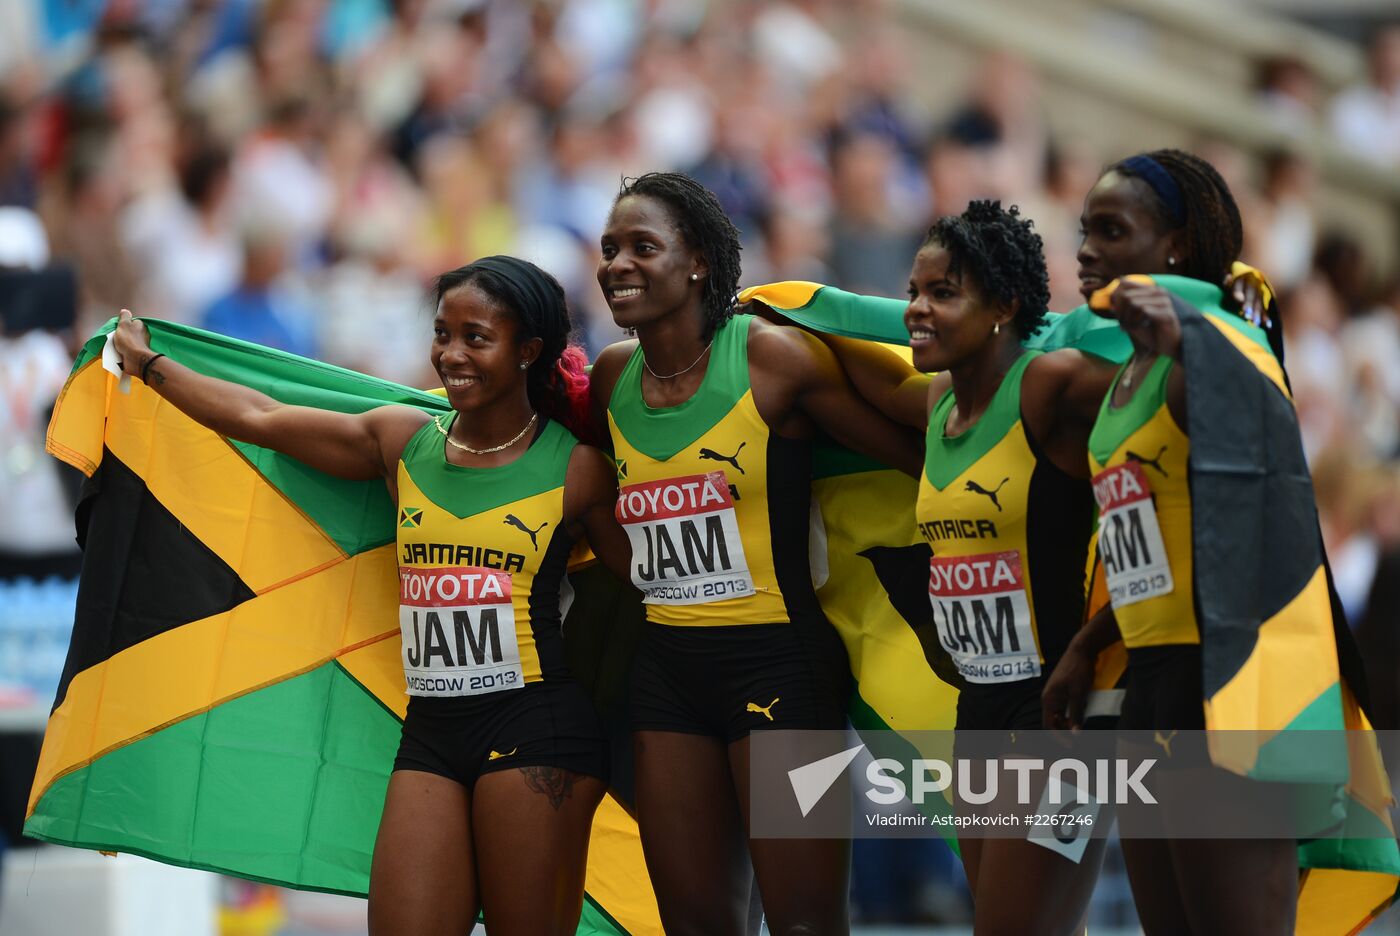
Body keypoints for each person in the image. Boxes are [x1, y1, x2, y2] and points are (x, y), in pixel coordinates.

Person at [111, 256, 630, 936]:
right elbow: (260, 416)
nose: (451, 354)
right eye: (442, 333)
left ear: (528, 350)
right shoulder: (402, 442)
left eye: (477, 337)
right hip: (433, 731)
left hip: (537, 728)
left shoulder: (578, 468)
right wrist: (149, 365)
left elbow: (646, 592)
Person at [589, 171, 923, 936]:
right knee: (694, 926)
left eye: (643, 246)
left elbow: (911, 459)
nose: (618, 264)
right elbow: (579, 496)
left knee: (806, 925)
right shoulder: (612, 378)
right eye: (610, 249)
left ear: (699, 260)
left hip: (781, 669)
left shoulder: (773, 360)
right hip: (666, 673)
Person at [794, 200, 1120, 934]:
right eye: (913, 292)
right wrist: (781, 311)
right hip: (978, 710)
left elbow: (1169, 410)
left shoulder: (1051, 387)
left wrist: (1092, 643)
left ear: (1005, 306)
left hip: (1061, 717)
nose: (916, 311)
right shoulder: (939, 405)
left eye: (944, 294)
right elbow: (853, 360)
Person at [1043, 149, 1298, 934]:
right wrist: (1089, 645)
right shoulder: (1126, 378)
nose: (1087, 249)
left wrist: (1197, 336)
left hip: (1225, 682)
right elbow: (1151, 545)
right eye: (1084, 230)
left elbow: (1270, 478)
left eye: (1112, 230)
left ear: (1177, 246)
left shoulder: (1209, 358)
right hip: (1147, 678)